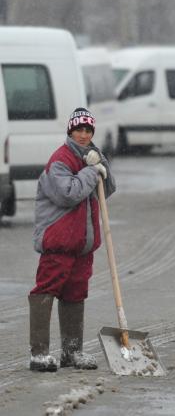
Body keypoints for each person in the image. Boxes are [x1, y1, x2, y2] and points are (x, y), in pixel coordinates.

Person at [28, 107, 116, 372]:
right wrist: (91, 172)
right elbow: (69, 193)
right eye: (79, 129)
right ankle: (39, 354)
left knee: (76, 293)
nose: (83, 134)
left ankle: (72, 352)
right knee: (46, 289)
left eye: (88, 130)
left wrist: (102, 165)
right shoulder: (60, 160)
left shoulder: (90, 156)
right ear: (70, 130)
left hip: (82, 244)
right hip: (59, 242)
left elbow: (107, 189)